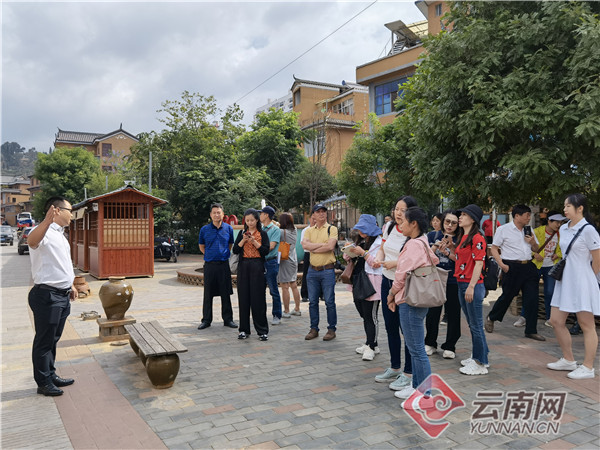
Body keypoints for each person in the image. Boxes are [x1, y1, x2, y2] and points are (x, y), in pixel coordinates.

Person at [387, 207, 439, 406]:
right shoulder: (422, 241)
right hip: (418, 298)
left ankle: (426, 396)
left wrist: (391, 294)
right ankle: (417, 388)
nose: (400, 224)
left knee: (416, 349)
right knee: (415, 347)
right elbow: (432, 260)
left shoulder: (413, 245)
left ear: (413, 223)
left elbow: (401, 275)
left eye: (403, 221)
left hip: (410, 300)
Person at [27, 196, 78, 396]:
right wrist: (47, 221)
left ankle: (50, 373)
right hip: (47, 296)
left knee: (53, 339)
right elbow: (31, 241)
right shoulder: (42, 231)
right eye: (70, 211)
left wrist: (71, 284)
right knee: (44, 341)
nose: (72, 216)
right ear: (56, 210)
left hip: (62, 295)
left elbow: (61, 263)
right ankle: (43, 383)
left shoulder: (60, 235)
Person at [547, 194, 600, 380]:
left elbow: (597, 261)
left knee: (587, 324)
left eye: (568, 206)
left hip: (582, 282)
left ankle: (588, 367)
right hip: (565, 281)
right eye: (564, 206)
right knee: (555, 320)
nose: (564, 209)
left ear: (580, 208)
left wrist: (586, 280)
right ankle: (568, 360)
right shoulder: (564, 227)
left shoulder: (589, 230)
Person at [372, 196, 417, 391]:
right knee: (390, 326)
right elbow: (382, 250)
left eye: (402, 209)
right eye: (396, 209)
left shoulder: (413, 232)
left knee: (406, 328)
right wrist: (378, 259)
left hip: (405, 283)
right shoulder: (389, 228)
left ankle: (408, 373)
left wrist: (395, 263)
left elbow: (417, 258)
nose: (398, 213)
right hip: (386, 280)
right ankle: (395, 366)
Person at [485, 205, 545, 341]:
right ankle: (492, 317)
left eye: (529, 215)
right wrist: (502, 264)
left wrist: (533, 241)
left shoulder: (529, 231)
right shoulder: (503, 230)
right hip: (511, 266)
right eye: (527, 215)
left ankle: (531, 330)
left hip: (528, 266)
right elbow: (494, 249)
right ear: (517, 216)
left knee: (532, 299)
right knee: (507, 296)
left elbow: (536, 249)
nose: (529, 218)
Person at [450, 204, 490, 375]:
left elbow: (479, 264)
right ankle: (480, 355)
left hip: (471, 284)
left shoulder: (477, 238)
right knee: (473, 324)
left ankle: (480, 362)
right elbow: (460, 260)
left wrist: (472, 286)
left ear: (473, 219)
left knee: (476, 325)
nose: (460, 217)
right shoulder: (463, 237)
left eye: (464, 215)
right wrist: (449, 250)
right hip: (461, 282)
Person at [514, 211, 565, 328]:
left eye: (560, 222)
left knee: (550, 292)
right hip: (536, 265)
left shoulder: (560, 234)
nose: (558, 224)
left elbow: (563, 247)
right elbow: (525, 245)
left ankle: (550, 318)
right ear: (549, 221)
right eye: (556, 222)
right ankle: (524, 317)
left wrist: (558, 254)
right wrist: (534, 254)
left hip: (551, 266)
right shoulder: (537, 231)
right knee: (530, 291)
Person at [345, 214, 383, 361]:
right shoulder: (361, 241)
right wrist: (349, 254)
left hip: (372, 283)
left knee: (371, 316)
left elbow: (377, 263)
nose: (360, 232)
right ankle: (370, 342)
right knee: (363, 314)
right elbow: (354, 259)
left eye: (363, 229)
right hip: (358, 280)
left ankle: (372, 347)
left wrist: (363, 253)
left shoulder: (379, 243)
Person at [425, 210, 461, 359]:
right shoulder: (432, 236)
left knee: (453, 314)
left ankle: (450, 346)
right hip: (435, 279)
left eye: (454, 223)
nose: (450, 225)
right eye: (447, 222)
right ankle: (430, 342)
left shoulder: (462, 239)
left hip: (453, 280)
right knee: (432, 313)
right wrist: (435, 247)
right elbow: (424, 257)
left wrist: (449, 251)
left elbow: (462, 262)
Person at [197, 203, 237, 330]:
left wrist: (222, 254)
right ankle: (206, 320)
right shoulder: (204, 230)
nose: (216, 214)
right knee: (207, 294)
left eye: (218, 212)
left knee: (225, 293)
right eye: (214, 212)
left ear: (223, 214)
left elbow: (230, 244)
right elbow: (201, 246)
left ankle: (228, 319)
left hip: (223, 265)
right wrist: (210, 254)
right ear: (210, 215)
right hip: (209, 265)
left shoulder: (228, 229)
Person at [302, 204, 338, 341]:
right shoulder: (309, 231)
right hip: (312, 271)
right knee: (312, 302)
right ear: (313, 216)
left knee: (329, 301)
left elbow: (331, 246)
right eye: (318, 212)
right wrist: (322, 246)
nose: (322, 214)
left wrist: (314, 248)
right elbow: (305, 245)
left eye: (324, 211)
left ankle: (331, 329)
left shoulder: (331, 229)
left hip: (327, 270)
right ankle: (314, 328)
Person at [232, 209, 270, 341]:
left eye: (252, 220)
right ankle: (243, 330)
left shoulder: (263, 234)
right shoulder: (241, 233)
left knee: (258, 299)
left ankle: (262, 331)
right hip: (243, 267)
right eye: (247, 220)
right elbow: (235, 250)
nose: (250, 223)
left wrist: (254, 241)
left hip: (257, 266)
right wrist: (243, 240)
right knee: (243, 299)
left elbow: (265, 251)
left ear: (257, 220)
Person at [260, 206, 282, 325]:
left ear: (267, 215)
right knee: (260, 290)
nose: (260, 216)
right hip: (260, 262)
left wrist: (258, 248)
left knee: (273, 290)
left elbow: (272, 246)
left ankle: (277, 314)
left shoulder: (275, 229)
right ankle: (261, 314)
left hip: (270, 262)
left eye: (261, 213)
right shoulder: (261, 228)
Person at [278, 212, 301, 318]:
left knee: (284, 287)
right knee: (294, 285)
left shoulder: (281, 232)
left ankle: (286, 311)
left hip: (285, 260)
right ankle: (297, 308)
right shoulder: (294, 230)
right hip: (293, 259)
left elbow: (275, 228)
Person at [300, 214, 316, 303]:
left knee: (319, 272)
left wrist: (311, 245)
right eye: (312, 219)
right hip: (308, 254)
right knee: (306, 273)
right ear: (309, 219)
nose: (314, 221)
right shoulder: (305, 230)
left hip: (318, 254)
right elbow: (304, 244)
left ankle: (321, 294)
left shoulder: (320, 230)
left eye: (315, 219)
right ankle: (304, 294)